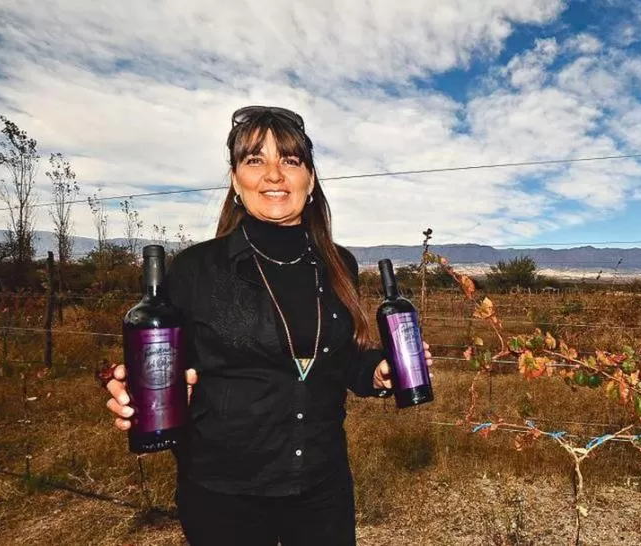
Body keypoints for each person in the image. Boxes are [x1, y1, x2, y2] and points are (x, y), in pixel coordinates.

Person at [99, 105, 433, 545]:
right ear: (236, 179)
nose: (274, 175)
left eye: (290, 160)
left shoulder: (340, 264)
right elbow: (158, 363)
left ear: (310, 180)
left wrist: (376, 371)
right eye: (255, 160)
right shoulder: (197, 269)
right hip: (223, 494)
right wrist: (127, 388)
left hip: (323, 486)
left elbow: (339, 358)